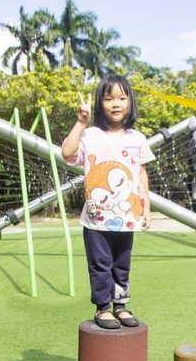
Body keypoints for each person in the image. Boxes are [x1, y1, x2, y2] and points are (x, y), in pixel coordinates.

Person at [62, 74, 154, 330]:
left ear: (130, 103)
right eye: (109, 98)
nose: (116, 104)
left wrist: (146, 208)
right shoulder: (90, 135)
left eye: (122, 98)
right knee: (101, 264)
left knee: (122, 265)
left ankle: (120, 306)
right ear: (100, 103)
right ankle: (103, 308)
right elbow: (67, 153)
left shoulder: (137, 138)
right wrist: (80, 122)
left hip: (128, 216)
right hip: (96, 219)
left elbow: (141, 174)